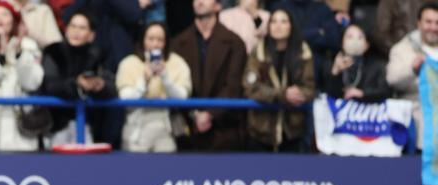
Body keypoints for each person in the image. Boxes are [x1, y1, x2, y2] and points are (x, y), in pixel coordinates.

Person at [172, 0, 247, 150]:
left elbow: (233, 86)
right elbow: (176, 85)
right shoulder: (178, 43)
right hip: (188, 131)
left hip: (224, 130)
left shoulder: (235, 43)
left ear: (218, 5)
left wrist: (210, 114)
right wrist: (194, 115)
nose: (199, 2)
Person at [0, 0, 45, 151]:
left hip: (20, 131)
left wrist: (19, 55)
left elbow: (32, 83)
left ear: (14, 20)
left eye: (5, 14)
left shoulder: (28, 45)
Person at [243, 7, 314, 151]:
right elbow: (250, 87)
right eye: (273, 21)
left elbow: (310, 87)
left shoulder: (303, 52)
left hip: (292, 130)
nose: (278, 26)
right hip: (262, 129)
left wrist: (300, 94)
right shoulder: (259, 51)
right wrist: (282, 94)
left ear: (291, 26)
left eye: (283, 21)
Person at [41, 10, 116, 146]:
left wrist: (99, 85)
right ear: (66, 29)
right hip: (56, 125)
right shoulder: (53, 52)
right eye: (73, 26)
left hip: (90, 125)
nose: (76, 31)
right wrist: (76, 84)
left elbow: (111, 87)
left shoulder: (99, 55)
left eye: (82, 28)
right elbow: (51, 86)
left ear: (91, 35)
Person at [115, 21, 192, 152]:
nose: (155, 44)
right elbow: (125, 98)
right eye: (151, 39)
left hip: (166, 129)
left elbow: (183, 97)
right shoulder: (129, 63)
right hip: (136, 128)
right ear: (143, 40)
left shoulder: (177, 62)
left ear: (166, 42)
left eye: (160, 40)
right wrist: (144, 80)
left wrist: (165, 77)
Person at [386, 2, 438, 150]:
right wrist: (412, 69)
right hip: (415, 107)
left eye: (437, 23)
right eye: (428, 22)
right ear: (419, 23)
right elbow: (392, 80)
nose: (433, 27)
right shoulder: (402, 48)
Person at [323, 22, 390, 102]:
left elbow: (384, 91)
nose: (354, 41)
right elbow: (330, 94)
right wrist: (335, 71)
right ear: (342, 43)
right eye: (349, 37)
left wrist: (362, 93)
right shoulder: (331, 64)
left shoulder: (377, 66)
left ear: (366, 45)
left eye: (360, 37)